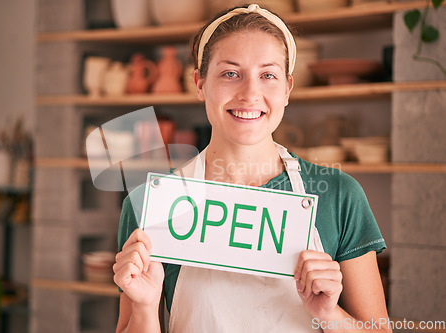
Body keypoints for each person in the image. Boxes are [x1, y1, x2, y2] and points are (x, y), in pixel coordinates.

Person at [113, 4, 390, 332]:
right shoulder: (150, 204)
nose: (250, 93)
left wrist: (330, 314)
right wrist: (145, 307)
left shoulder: (341, 196)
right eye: (230, 73)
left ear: (287, 88)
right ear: (199, 83)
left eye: (268, 75)